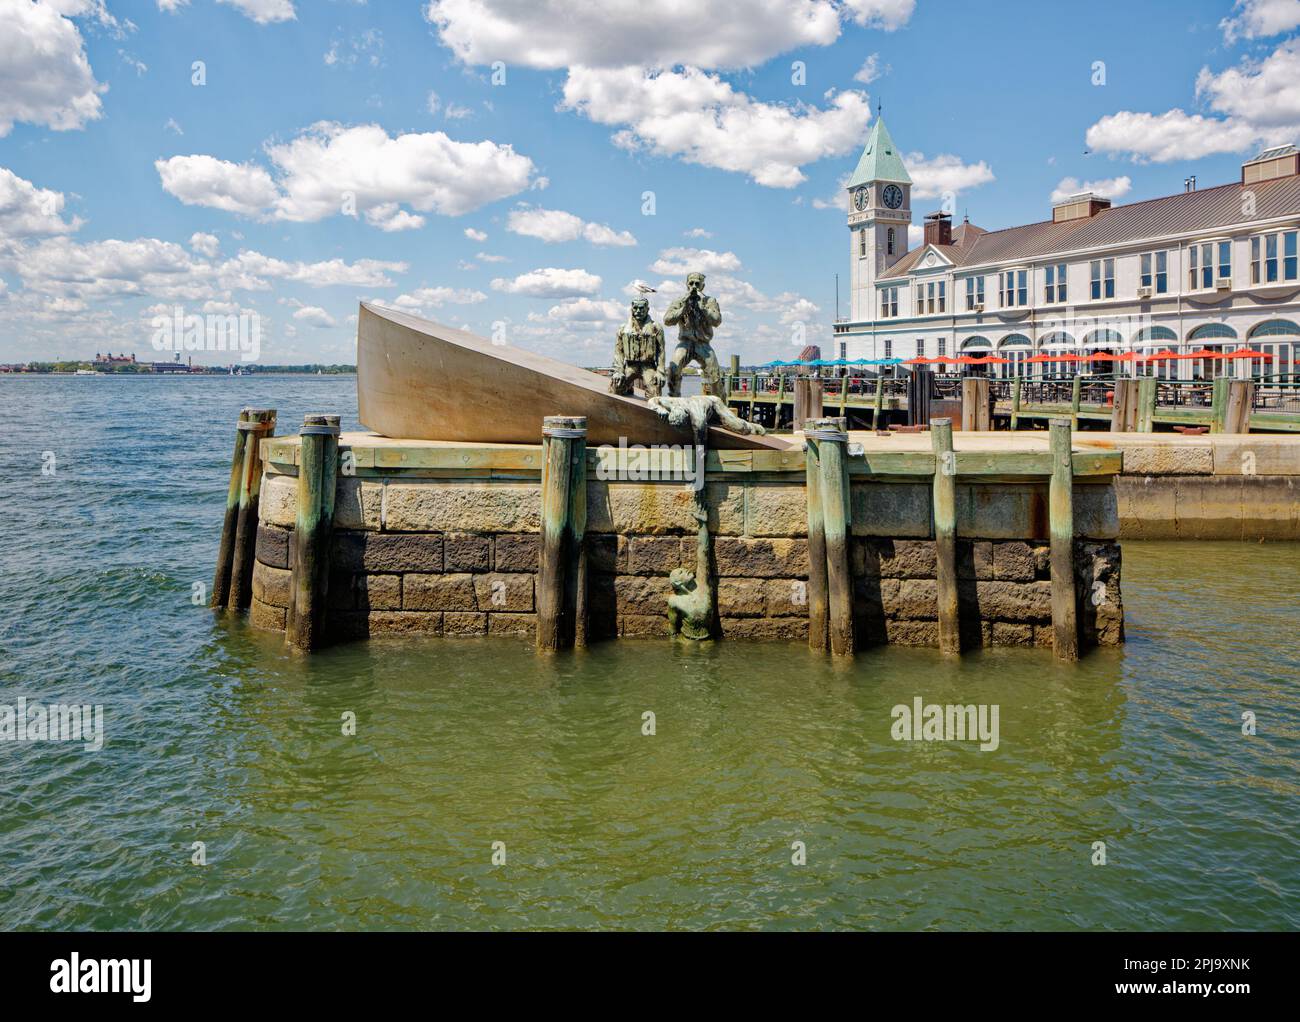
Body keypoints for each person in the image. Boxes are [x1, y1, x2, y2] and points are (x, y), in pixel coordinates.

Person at [663, 271, 724, 397]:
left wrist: (703, 308)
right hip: (685, 343)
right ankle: (674, 400)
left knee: (715, 374)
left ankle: (721, 404)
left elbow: (717, 321)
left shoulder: (710, 301)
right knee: (673, 369)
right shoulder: (680, 301)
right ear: (687, 285)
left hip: (703, 344)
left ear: (702, 286)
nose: (694, 286)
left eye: (697, 283)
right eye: (691, 283)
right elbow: (667, 320)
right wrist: (683, 308)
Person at [608, 297, 665, 398]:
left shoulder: (656, 328)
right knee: (615, 386)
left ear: (647, 309)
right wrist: (618, 371)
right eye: (635, 308)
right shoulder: (623, 329)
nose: (638, 311)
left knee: (655, 391)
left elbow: (661, 351)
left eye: (642, 308)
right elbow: (618, 352)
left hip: (648, 366)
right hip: (630, 365)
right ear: (632, 309)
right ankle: (628, 386)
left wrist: (660, 372)